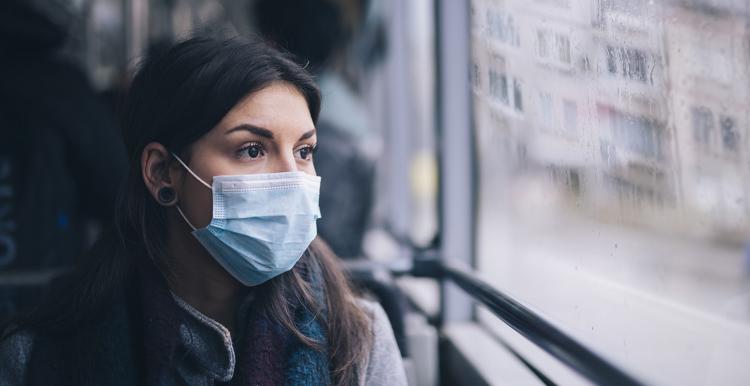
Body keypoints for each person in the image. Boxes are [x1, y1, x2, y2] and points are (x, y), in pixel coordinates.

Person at [0, 36, 407, 386]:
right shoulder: (38, 355)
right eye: (252, 150)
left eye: (304, 151)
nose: (292, 179)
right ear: (162, 172)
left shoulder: (356, 338)